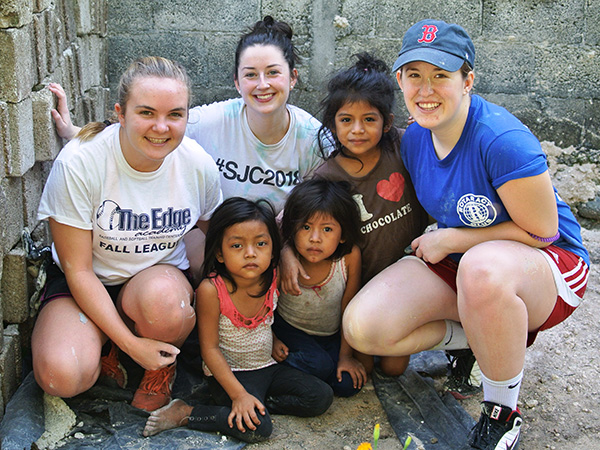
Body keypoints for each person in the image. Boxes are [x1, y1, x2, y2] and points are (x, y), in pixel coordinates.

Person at [342, 20, 590, 450]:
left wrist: (452, 240)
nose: (426, 89)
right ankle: (480, 342)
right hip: (475, 259)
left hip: (549, 264)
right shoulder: (416, 139)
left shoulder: (501, 139)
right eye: (414, 75)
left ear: (467, 79)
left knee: (481, 269)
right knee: (366, 328)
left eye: (441, 75)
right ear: (399, 79)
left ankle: (501, 413)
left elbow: (544, 232)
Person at [49, 16, 324, 285]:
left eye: (273, 72)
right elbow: (156, 127)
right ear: (237, 82)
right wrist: (75, 132)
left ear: (293, 78)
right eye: (250, 75)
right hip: (225, 239)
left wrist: (288, 246)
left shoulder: (312, 137)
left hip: (277, 241)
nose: (262, 84)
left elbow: (331, 194)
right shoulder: (213, 120)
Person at [34, 56, 222, 412]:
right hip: (87, 282)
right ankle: (114, 345)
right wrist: (130, 344)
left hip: (155, 282)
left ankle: (160, 367)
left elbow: (215, 236)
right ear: (120, 113)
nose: (162, 127)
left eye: (175, 115)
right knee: (61, 376)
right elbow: (78, 270)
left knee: (169, 303)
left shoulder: (196, 164)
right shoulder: (80, 163)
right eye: (147, 113)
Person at [280, 53, 429, 376]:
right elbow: (286, 224)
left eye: (369, 120)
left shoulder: (403, 146)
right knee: (377, 367)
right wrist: (286, 251)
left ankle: (461, 346)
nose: (357, 130)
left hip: (412, 276)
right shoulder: (326, 177)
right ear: (333, 124)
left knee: (393, 368)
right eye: (346, 120)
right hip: (362, 288)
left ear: (387, 122)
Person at [142, 197, 333, 442]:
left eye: (261, 244)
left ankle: (252, 407)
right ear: (220, 254)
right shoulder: (212, 290)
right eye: (237, 246)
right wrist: (239, 395)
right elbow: (209, 349)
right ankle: (188, 412)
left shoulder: (271, 276)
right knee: (258, 428)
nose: (251, 254)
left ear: (273, 249)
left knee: (320, 396)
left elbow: (264, 319)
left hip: (266, 367)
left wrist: (273, 339)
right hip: (230, 376)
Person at [273, 179, 366, 397]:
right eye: (306, 227)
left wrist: (345, 356)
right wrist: (272, 340)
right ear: (292, 229)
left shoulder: (349, 257)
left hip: (329, 334)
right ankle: (272, 370)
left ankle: (302, 375)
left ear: (342, 235)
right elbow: (266, 304)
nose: (315, 239)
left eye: (327, 229)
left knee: (348, 384)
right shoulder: (286, 259)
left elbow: (348, 308)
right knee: (320, 365)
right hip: (288, 329)